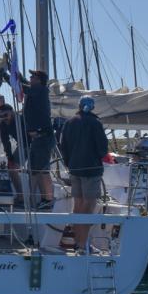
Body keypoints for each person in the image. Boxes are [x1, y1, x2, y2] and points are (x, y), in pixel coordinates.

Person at [58, 95, 108, 251]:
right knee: (88, 206)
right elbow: (102, 149)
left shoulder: (69, 123)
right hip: (91, 170)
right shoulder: (95, 123)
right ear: (92, 107)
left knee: (78, 205)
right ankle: (82, 244)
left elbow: (63, 146)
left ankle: (77, 242)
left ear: (79, 106)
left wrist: (69, 163)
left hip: (74, 169)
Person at [22, 69, 55, 208]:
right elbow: (24, 85)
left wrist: (8, 78)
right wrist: (16, 75)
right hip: (36, 139)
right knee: (33, 171)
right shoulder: (35, 90)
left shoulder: (40, 90)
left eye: (32, 76)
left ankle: (48, 201)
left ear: (39, 80)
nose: (30, 78)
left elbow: (24, 88)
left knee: (43, 171)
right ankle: (32, 201)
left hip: (43, 138)